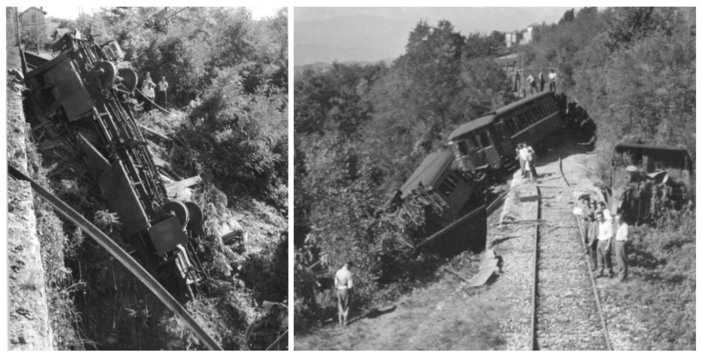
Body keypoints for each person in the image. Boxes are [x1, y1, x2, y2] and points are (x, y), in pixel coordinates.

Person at [594, 211, 614, 278]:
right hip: (600, 241)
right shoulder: (599, 223)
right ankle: (600, 273)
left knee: (606, 258)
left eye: (600, 217)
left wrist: (608, 245)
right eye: (598, 218)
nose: (599, 219)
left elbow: (610, 236)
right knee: (599, 258)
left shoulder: (608, 224)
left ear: (603, 217)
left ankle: (610, 273)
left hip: (605, 242)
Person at [335, 262, 354, 327]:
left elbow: (335, 283)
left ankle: (340, 321)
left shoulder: (338, 272)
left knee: (340, 305)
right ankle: (345, 322)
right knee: (347, 306)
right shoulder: (349, 273)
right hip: (345, 290)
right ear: (349, 265)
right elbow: (350, 286)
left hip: (338, 290)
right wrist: (352, 291)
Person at [614, 213, 628, 282]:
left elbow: (625, 236)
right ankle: (620, 275)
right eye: (616, 219)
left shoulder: (624, 225)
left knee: (622, 259)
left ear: (622, 219)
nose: (617, 220)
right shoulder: (617, 225)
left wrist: (623, 243)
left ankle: (623, 277)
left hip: (621, 242)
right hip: (617, 242)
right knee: (618, 259)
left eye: (619, 219)